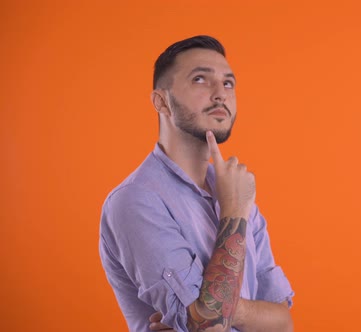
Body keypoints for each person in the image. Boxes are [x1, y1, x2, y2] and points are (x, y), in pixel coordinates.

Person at [99, 35, 294, 332]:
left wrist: (222, 309)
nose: (220, 94)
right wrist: (234, 213)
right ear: (161, 101)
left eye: (228, 83)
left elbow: (283, 323)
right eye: (201, 79)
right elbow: (208, 326)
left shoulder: (233, 190)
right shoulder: (137, 200)